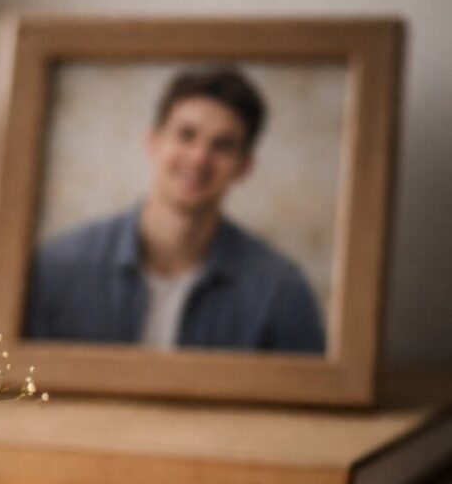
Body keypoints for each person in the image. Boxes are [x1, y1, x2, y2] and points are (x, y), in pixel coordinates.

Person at [23, 66, 325, 353]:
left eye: (222, 145)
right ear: (153, 142)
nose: (199, 158)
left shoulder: (282, 292)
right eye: (186, 135)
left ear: (244, 167)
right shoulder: (56, 268)